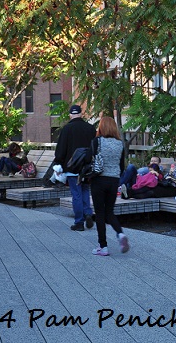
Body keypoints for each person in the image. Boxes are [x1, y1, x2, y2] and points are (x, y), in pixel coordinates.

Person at [88, 116, 130, 256]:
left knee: (100, 213)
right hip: (113, 181)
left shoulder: (96, 141)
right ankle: (120, 234)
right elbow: (121, 166)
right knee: (110, 212)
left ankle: (103, 247)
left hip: (99, 180)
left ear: (101, 127)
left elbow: (90, 160)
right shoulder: (120, 144)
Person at [54, 104, 96, 231]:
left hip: (72, 167)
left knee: (76, 194)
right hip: (87, 168)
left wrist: (59, 163)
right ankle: (88, 212)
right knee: (85, 191)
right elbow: (95, 148)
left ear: (70, 114)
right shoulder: (90, 128)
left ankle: (79, 222)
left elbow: (61, 150)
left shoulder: (67, 129)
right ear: (81, 114)